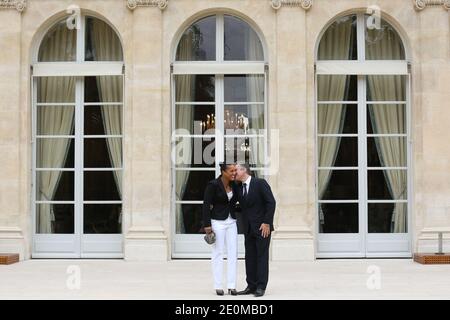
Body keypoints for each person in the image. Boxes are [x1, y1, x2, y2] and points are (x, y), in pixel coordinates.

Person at [235, 163, 276, 297]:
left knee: (261, 257)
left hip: (262, 227)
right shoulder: (239, 187)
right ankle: (251, 286)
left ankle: (261, 286)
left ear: (244, 170)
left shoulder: (260, 183)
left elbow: (271, 202)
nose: (234, 173)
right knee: (250, 257)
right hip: (248, 229)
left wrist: (267, 222)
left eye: (236, 170)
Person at [202, 163, 239, 296]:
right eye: (231, 171)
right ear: (223, 171)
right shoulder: (213, 185)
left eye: (235, 170)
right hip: (217, 222)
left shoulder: (235, 184)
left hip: (231, 221)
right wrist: (207, 226)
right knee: (218, 253)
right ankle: (218, 285)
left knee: (233, 252)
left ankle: (232, 285)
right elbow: (206, 205)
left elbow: (237, 201)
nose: (234, 173)